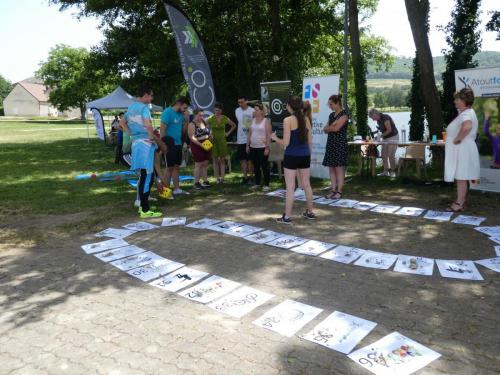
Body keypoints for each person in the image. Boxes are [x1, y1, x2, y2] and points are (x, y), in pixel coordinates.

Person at [120, 85, 165, 218]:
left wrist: (132, 134)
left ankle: (142, 207)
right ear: (145, 95)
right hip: (146, 144)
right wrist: (152, 137)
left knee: (145, 176)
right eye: (151, 95)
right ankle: (145, 210)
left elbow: (122, 122)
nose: (152, 98)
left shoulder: (131, 107)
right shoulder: (144, 108)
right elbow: (148, 125)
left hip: (137, 144)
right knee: (147, 176)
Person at [271, 96, 315, 224]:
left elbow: (286, 142)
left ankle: (287, 217)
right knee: (306, 184)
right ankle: (310, 212)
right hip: (305, 155)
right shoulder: (306, 119)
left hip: (291, 156)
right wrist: (308, 155)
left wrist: (274, 138)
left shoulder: (288, 120)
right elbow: (310, 141)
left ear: (290, 106)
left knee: (290, 187)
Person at [444, 88, 480, 212]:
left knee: (461, 177)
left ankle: (459, 203)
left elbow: (467, 126)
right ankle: (461, 201)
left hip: (463, 149)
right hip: (463, 149)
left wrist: (457, 139)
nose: (455, 101)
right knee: (461, 177)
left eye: (457, 99)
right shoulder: (466, 112)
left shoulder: (466, 114)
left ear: (463, 100)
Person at [160, 97, 190, 195]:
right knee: (169, 168)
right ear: (179, 103)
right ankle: (165, 192)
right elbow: (162, 129)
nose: (185, 110)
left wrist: (186, 120)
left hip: (178, 144)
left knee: (176, 167)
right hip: (168, 145)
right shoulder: (167, 112)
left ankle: (176, 189)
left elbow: (184, 132)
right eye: (184, 108)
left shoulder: (181, 115)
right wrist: (163, 145)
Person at [322, 94, 349, 199]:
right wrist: (331, 126)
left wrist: (331, 127)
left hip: (340, 144)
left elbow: (336, 129)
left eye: (331, 104)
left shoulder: (344, 114)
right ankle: (333, 190)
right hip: (331, 143)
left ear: (337, 103)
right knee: (331, 168)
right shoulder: (331, 115)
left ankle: (339, 191)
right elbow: (325, 129)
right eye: (329, 105)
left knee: (338, 168)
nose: (330, 106)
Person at [207, 103, 236, 184]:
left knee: (222, 160)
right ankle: (217, 178)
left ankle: (222, 178)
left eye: (218, 110)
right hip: (214, 141)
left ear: (221, 111)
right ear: (214, 110)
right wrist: (209, 133)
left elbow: (234, 125)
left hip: (222, 140)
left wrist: (228, 133)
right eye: (215, 110)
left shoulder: (225, 118)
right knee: (215, 160)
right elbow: (203, 126)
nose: (217, 112)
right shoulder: (210, 118)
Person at [247, 102, 272, 191]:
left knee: (264, 166)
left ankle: (266, 184)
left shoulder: (266, 121)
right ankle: (257, 183)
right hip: (253, 147)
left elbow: (269, 135)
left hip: (263, 147)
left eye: (257, 110)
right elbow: (249, 133)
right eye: (254, 110)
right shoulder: (252, 120)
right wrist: (247, 145)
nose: (255, 111)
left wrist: (267, 147)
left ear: (261, 111)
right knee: (256, 166)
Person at [368, 108, 399, 177]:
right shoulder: (378, 121)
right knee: (384, 154)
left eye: (372, 117)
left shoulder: (385, 117)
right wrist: (377, 137)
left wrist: (380, 136)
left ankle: (393, 172)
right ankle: (386, 171)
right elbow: (383, 131)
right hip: (386, 138)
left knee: (391, 154)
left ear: (375, 114)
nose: (373, 120)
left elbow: (389, 130)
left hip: (393, 137)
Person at [188, 109, 212, 189]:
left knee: (205, 163)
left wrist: (210, 136)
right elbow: (192, 137)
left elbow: (207, 132)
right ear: (195, 115)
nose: (201, 117)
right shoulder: (192, 124)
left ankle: (205, 181)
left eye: (202, 115)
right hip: (197, 144)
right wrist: (201, 145)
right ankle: (196, 182)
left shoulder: (203, 122)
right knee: (198, 164)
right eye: (199, 115)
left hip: (206, 143)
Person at [235, 96, 255, 184]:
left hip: (251, 138)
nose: (240, 104)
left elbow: (253, 123)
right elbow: (242, 122)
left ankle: (251, 177)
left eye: (242, 102)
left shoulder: (252, 110)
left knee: (250, 159)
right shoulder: (237, 110)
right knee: (242, 159)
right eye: (239, 102)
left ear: (246, 101)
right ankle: (245, 177)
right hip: (240, 139)